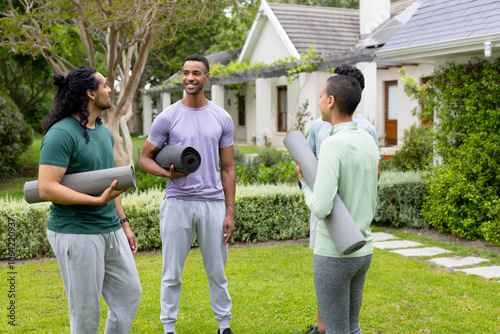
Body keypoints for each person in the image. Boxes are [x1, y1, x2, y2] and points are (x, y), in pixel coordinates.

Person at [38, 66, 142, 333]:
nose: (110, 90)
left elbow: (110, 185)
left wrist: (125, 224)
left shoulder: (103, 132)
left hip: (110, 229)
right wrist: (95, 201)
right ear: (90, 93)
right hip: (77, 232)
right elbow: (46, 188)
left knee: (129, 294)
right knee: (85, 312)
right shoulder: (62, 134)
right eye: (105, 85)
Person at [138, 54, 236, 334]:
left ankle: (224, 325)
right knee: (171, 273)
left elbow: (228, 168)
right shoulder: (167, 116)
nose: (189, 78)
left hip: (213, 204)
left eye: (196, 73)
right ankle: (169, 327)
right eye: (185, 73)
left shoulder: (222, 117)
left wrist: (229, 212)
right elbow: (145, 158)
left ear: (207, 78)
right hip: (177, 203)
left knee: (217, 271)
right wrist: (167, 173)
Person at [296, 74, 379, 334]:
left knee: (335, 330)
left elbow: (321, 207)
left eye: (321, 96)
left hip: (335, 253)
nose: (319, 101)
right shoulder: (368, 139)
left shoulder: (333, 144)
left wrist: (305, 184)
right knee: (352, 329)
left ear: (330, 101)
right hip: (363, 250)